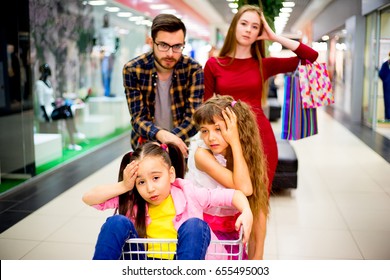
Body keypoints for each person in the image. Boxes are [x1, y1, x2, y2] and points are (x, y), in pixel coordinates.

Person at [203, 4, 318, 259]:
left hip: (260, 141)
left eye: (255, 26)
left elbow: (311, 57)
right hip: (225, 144)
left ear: (260, 33)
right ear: (234, 26)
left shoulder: (263, 64)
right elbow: (205, 110)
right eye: (244, 23)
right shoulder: (214, 64)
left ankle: (257, 262)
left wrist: (275, 37)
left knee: (259, 205)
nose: (249, 30)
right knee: (232, 201)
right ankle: (233, 256)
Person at [82, 141, 253, 260]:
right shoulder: (133, 200)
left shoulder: (189, 193)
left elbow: (232, 195)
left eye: (156, 178)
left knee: (196, 225)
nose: (149, 188)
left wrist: (246, 212)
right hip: (142, 263)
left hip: (180, 261)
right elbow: (88, 198)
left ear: (171, 174)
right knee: (116, 222)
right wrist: (124, 186)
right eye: (141, 182)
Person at [185, 95, 268, 260]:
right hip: (206, 231)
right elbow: (244, 188)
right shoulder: (202, 154)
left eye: (218, 129)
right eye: (204, 131)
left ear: (234, 128)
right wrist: (235, 140)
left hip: (230, 228)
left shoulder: (242, 153)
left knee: (260, 211)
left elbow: (251, 193)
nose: (211, 137)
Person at [122, 14, 204, 157]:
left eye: (177, 46)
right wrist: (161, 136)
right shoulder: (133, 69)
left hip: (180, 146)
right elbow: (138, 118)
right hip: (145, 147)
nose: (170, 54)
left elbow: (193, 118)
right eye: (164, 45)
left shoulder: (193, 69)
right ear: (151, 42)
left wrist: (169, 141)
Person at [35, 63, 85, 151]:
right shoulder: (39, 84)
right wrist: (46, 116)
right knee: (67, 111)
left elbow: (50, 99)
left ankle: (74, 136)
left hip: (51, 108)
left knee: (68, 108)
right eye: (45, 71)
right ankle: (74, 134)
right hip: (46, 113)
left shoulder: (48, 83)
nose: (46, 74)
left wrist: (57, 103)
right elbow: (41, 102)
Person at [95, 13, 119, 97]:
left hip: (111, 54)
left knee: (109, 73)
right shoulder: (100, 30)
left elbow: (117, 41)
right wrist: (99, 50)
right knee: (104, 73)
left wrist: (114, 51)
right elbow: (96, 41)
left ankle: (108, 91)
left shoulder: (112, 30)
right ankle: (105, 92)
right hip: (103, 54)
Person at [379, 52, 390, 121]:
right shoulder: (385, 64)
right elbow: (380, 74)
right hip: (387, 87)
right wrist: (386, 80)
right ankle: (388, 117)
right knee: (387, 102)